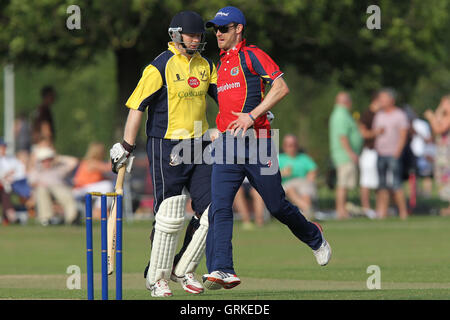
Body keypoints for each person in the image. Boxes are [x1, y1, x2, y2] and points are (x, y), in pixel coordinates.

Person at [202, 6, 331, 291]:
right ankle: (222, 268)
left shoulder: (252, 54)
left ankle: (314, 235)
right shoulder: (220, 65)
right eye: (215, 29)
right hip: (226, 145)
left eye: (224, 28)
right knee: (220, 207)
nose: (218, 33)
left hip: (257, 143)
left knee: (276, 205)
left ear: (239, 29)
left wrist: (254, 115)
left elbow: (281, 87)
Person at [109, 11, 218, 297]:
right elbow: (137, 106)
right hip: (166, 145)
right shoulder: (159, 67)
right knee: (169, 215)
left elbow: (227, 96)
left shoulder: (206, 65)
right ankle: (156, 277)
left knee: (214, 209)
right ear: (176, 34)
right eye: (191, 35)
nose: (196, 40)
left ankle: (183, 268)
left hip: (200, 144)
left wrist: (253, 109)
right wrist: (126, 146)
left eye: (199, 36)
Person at [372, 88, 409, 219]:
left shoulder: (400, 115)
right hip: (380, 153)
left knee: (396, 184)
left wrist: (397, 152)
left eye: (383, 98)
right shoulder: (378, 115)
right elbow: (374, 132)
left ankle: (403, 212)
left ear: (391, 100)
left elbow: (403, 135)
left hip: (393, 153)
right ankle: (382, 212)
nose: (380, 101)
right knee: (382, 184)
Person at [329, 92, 363, 219]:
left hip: (344, 154)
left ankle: (343, 209)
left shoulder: (341, 114)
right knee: (342, 184)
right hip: (344, 155)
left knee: (344, 184)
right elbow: (342, 136)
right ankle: (341, 211)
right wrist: (351, 153)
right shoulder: (340, 115)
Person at [28, 146, 79, 225]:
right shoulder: (36, 170)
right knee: (42, 190)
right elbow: (31, 182)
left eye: (49, 160)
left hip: (59, 188)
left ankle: (72, 218)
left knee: (66, 194)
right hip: (42, 189)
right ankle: (46, 219)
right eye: (44, 160)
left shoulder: (59, 168)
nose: (47, 162)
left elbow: (74, 161)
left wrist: (58, 157)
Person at [279, 134, 318, 220]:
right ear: (284, 146)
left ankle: (305, 215)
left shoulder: (303, 157)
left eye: (294, 145)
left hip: (302, 182)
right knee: (291, 190)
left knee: (305, 190)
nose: (292, 148)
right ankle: (308, 210)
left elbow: (313, 170)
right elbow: (271, 174)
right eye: (289, 145)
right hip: (286, 183)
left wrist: (310, 178)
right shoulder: (279, 159)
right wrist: (282, 173)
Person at [72, 142, 114, 219]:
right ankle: (99, 210)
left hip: (86, 188)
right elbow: (109, 168)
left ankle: (99, 210)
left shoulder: (91, 162)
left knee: (107, 185)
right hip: (80, 189)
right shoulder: (91, 162)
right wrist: (114, 158)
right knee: (107, 185)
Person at [358, 92, 383, 218]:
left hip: (380, 151)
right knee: (366, 181)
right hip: (369, 151)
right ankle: (366, 208)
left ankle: (379, 209)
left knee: (379, 182)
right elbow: (364, 133)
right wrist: (377, 133)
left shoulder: (382, 114)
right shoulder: (367, 114)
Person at [424, 95, 450, 216]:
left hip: (447, 153)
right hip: (443, 153)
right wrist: (438, 113)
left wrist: (431, 117)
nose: (442, 106)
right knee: (444, 179)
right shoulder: (445, 116)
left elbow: (438, 129)